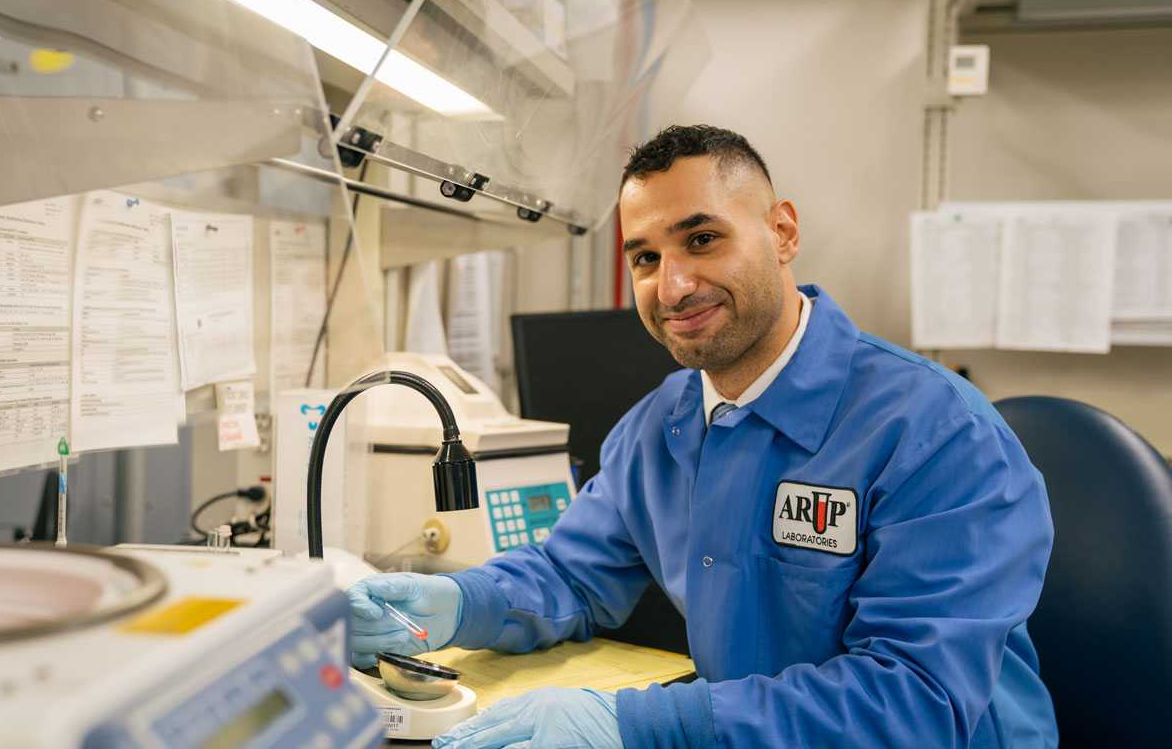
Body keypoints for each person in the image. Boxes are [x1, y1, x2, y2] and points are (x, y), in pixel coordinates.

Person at [347, 125, 1058, 748]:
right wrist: (459, 604)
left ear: (782, 232)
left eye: (702, 239)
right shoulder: (668, 421)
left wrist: (640, 727)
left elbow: (915, 705)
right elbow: (573, 573)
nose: (674, 284)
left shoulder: (936, 433)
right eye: (645, 258)